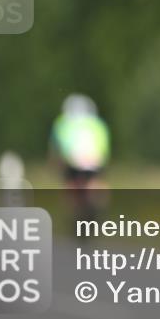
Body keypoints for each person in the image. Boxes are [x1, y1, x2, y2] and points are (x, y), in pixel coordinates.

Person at [50, 93, 111, 224]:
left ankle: (74, 216)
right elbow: (105, 149)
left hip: (73, 160)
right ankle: (99, 209)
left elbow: (56, 149)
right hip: (94, 160)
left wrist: (56, 165)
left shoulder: (62, 123)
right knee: (97, 183)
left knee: (70, 185)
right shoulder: (98, 124)